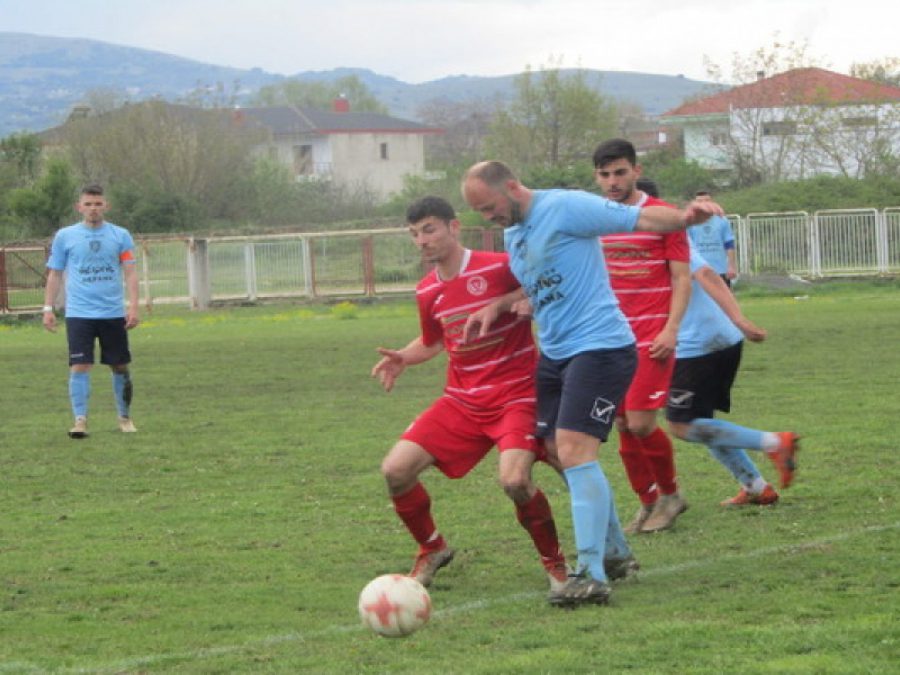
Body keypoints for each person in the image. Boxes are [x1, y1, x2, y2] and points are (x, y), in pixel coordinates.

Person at [461, 161, 723, 608]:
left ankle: (590, 574)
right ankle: (616, 552)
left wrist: (684, 218)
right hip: (555, 353)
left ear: (512, 186)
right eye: (480, 213)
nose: (488, 218)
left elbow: (641, 218)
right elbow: (540, 283)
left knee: (575, 450)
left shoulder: (565, 206)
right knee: (554, 450)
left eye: (489, 207)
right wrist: (502, 304)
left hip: (600, 347)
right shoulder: (514, 231)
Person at [371, 195, 569, 595]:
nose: (422, 241)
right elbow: (433, 341)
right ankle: (432, 548)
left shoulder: (499, 266)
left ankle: (556, 565)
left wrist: (520, 301)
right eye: (414, 234)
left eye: (429, 230)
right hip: (462, 400)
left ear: (454, 227)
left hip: (517, 395)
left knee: (514, 480)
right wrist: (404, 357)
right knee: (395, 470)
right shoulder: (427, 290)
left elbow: (545, 286)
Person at [592, 139, 691, 534]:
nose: (612, 181)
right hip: (609, 339)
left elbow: (681, 278)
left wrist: (671, 328)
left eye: (620, 172)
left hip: (652, 337)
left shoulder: (662, 217)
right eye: (605, 175)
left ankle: (672, 494)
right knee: (620, 423)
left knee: (641, 423)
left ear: (636, 170)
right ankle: (648, 501)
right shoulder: (596, 218)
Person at [666, 242, 800, 503]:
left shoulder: (660, 233)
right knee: (703, 421)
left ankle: (775, 443)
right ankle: (755, 487)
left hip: (697, 344)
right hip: (716, 339)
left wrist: (741, 320)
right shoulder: (650, 231)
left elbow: (705, 273)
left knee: (683, 425)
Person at [43, 184, 140, 438]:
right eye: (88, 204)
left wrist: (133, 306)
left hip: (112, 313)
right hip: (79, 314)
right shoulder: (65, 236)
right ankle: (80, 421)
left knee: (119, 365)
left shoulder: (121, 235)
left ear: (106, 206)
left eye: (98, 204)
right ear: (79, 207)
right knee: (80, 365)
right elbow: (55, 274)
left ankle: (125, 418)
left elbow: (130, 272)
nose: (93, 208)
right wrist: (48, 308)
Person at [688, 190, 737, 286]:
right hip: (698, 270)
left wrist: (731, 266)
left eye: (706, 201)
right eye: (700, 201)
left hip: (720, 269)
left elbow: (729, 244)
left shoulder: (722, 220)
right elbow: (687, 246)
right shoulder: (691, 222)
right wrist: (688, 268)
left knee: (722, 295)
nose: (703, 204)